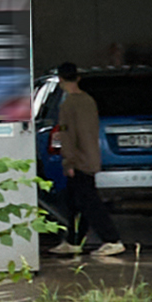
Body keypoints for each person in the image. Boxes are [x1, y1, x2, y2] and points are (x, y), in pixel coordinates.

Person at [47, 64, 105, 259]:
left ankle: (111, 239)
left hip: (79, 161)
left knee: (89, 203)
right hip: (87, 158)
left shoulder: (69, 104)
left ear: (61, 80)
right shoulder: (88, 101)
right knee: (74, 202)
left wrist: (69, 162)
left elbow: (69, 136)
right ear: (78, 78)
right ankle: (73, 240)